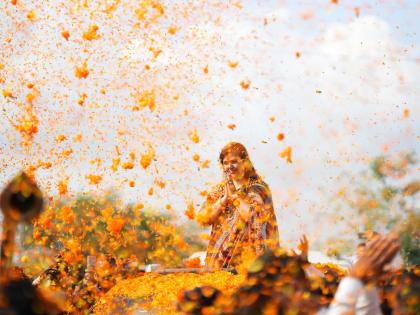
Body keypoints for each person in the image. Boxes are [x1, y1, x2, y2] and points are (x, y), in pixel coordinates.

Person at [197, 142, 279, 269]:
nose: (230, 166)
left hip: (252, 265)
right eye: (225, 163)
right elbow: (203, 219)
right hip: (219, 265)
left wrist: (235, 197)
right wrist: (223, 201)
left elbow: (254, 217)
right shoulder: (219, 190)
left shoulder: (259, 189)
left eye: (234, 161)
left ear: (245, 162)